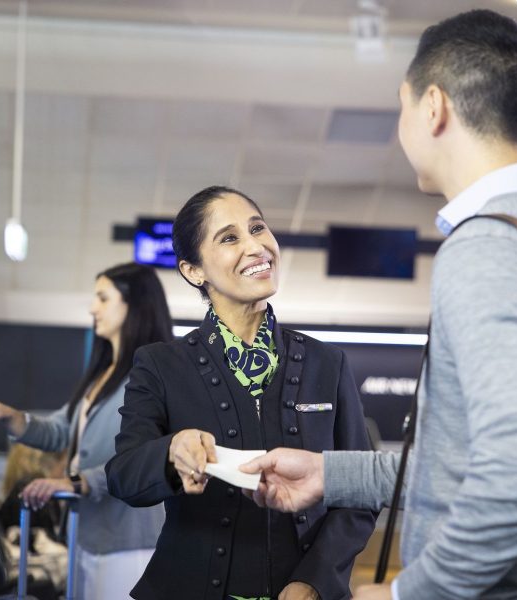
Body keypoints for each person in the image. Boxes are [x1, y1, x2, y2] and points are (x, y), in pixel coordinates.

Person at [240, 9, 517, 599]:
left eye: (402, 105)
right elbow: (470, 468)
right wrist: (328, 473)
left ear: (434, 107)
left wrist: (410, 594)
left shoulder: (492, 242)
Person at [105, 186, 376, 600]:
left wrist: (315, 581)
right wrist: (171, 452)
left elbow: (359, 493)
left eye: (257, 228)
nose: (256, 246)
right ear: (194, 270)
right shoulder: (161, 363)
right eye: (230, 238)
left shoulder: (328, 363)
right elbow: (123, 475)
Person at [0, 262, 171, 599]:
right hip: (84, 533)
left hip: (127, 543)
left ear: (135, 304)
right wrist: (9, 416)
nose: (92, 308)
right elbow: (61, 429)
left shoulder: (152, 376)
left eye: (103, 298)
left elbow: (144, 459)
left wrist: (76, 481)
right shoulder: (103, 373)